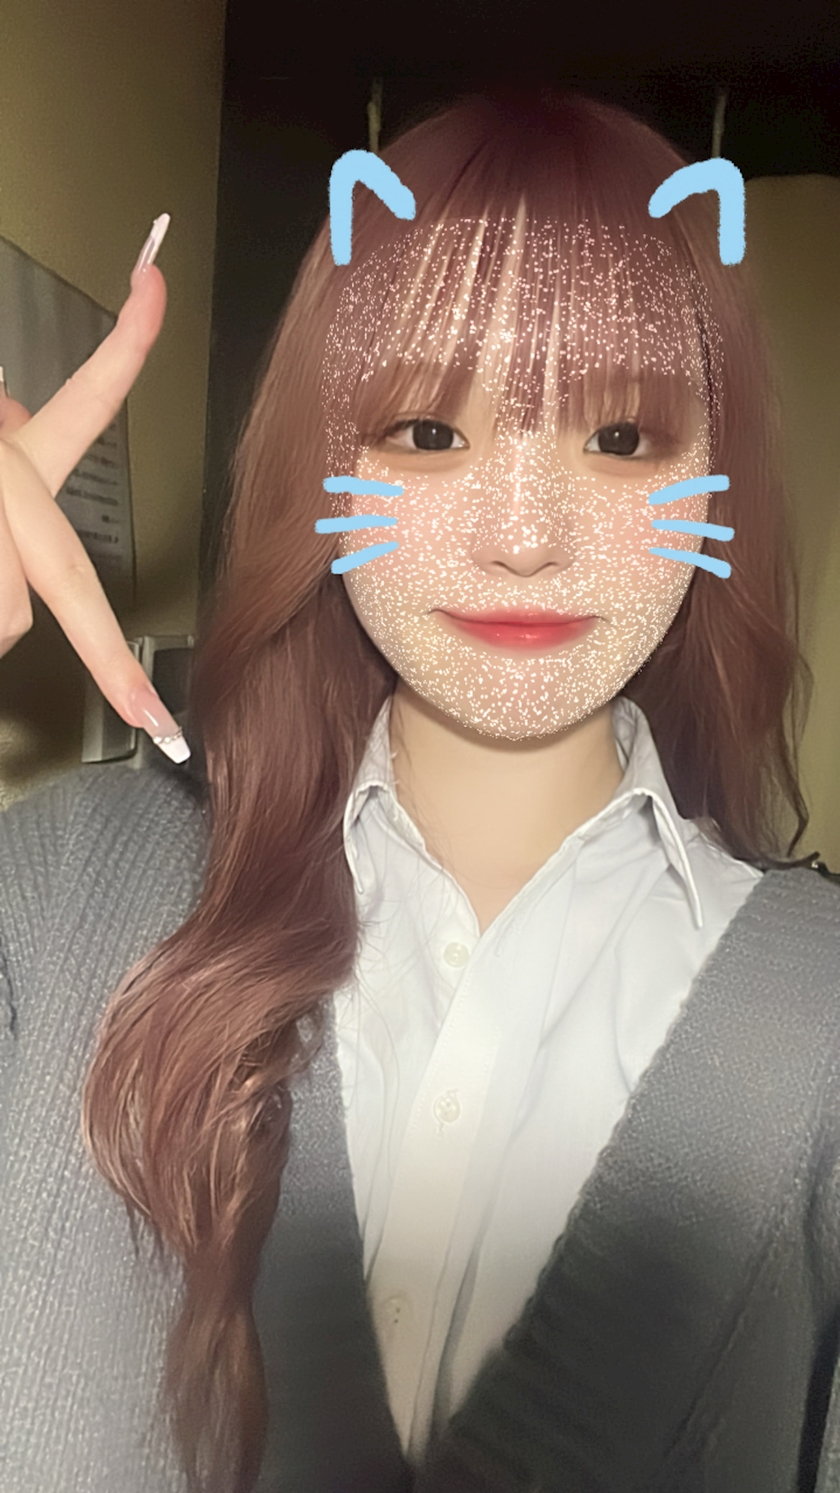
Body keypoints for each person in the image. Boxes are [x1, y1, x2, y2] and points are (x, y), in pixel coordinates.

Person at [1, 88, 839, 1493]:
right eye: (430, 433)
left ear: (717, 474)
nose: (523, 538)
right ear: (322, 457)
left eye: (620, 439)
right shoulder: (55, 898)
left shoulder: (817, 1022)